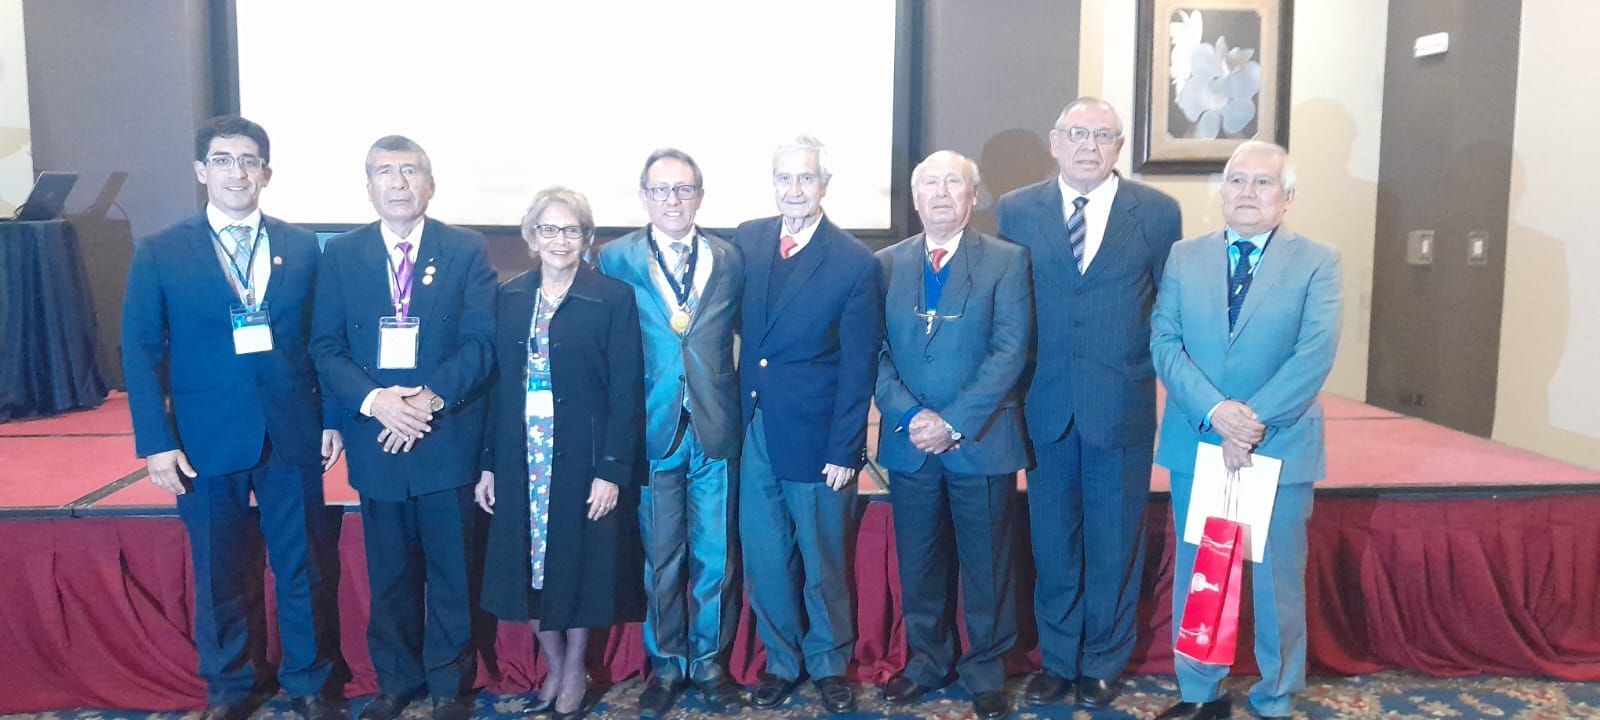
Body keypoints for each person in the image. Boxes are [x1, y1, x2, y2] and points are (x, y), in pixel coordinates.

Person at [121, 115, 345, 720]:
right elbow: (140, 354)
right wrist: (156, 443)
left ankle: (308, 682)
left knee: (303, 565)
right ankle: (229, 686)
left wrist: (332, 419)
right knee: (219, 568)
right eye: (223, 160)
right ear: (201, 172)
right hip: (204, 437)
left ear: (266, 173)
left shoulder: (302, 247)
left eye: (249, 160)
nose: (237, 172)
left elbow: (320, 340)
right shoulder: (161, 250)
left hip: (292, 429)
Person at [995, 97, 1183, 708]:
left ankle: (1103, 660)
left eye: (1102, 136)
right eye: (1076, 134)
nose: (1087, 146)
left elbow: (1169, 308)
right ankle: (1058, 659)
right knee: (1052, 544)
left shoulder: (1156, 213)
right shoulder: (1018, 210)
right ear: (1055, 142)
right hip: (1045, 406)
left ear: (1119, 147)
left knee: (1113, 543)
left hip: (1118, 406)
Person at [1150, 141, 1342, 720]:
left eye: (1263, 183)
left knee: (1275, 579)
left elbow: (1315, 353)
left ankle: (1275, 694)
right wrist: (1217, 412)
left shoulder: (1317, 260)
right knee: (1203, 573)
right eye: (1237, 181)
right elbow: (1164, 341)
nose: (1248, 193)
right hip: (1200, 439)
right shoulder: (1185, 256)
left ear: (1287, 197)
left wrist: (1250, 421)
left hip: (1278, 444)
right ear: (1222, 192)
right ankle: (1200, 692)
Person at [310, 135, 497, 720]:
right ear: (368, 187)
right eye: (384, 172)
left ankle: (448, 682)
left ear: (429, 184)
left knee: (450, 568)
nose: (397, 182)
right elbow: (325, 345)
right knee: (389, 569)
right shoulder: (341, 253)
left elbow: (482, 343)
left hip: (446, 434)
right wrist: (376, 403)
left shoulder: (465, 249)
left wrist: (427, 401)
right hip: (377, 436)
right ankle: (396, 680)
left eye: (409, 171)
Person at [873, 150, 1033, 720]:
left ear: (973, 196)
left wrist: (953, 422)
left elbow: (1010, 350)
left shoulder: (1007, 262)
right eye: (930, 184)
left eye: (954, 184)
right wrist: (913, 417)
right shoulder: (886, 263)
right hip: (910, 443)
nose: (942, 194)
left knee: (988, 565)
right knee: (919, 561)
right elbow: (876, 353)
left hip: (980, 439)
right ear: (915, 198)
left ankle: (986, 670)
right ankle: (926, 661)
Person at [477, 187, 646, 718]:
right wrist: (487, 462)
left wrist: (613, 470)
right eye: (548, 229)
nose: (559, 240)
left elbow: (626, 390)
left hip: (582, 455)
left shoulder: (611, 297)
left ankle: (574, 667)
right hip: (518, 453)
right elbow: (495, 385)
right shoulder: (509, 296)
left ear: (587, 238)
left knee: (578, 566)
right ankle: (552, 661)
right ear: (531, 237)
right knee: (527, 567)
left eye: (571, 230)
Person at [732, 136, 883, 713]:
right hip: (753, 430)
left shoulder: (853, 262)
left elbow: (858, 362)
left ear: (825, 184)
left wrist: (848, 448)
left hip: (820, 439)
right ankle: (781, 660)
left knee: (822, 561)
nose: (794, 190)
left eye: (805, 179)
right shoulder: (748, 239)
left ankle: (827, 663)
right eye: (784, 179)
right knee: (766, 557)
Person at [595, 148, 746, 718]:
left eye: (683, 190)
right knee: (660, 558)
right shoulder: (614, 259)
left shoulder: (729, 259)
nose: (673, 201)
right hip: (652, 428)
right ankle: (665, 663)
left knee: (715, 554)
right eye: (661, 191)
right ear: (644, 197)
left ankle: (708, 662)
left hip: (714, 426)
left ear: (700, 196)